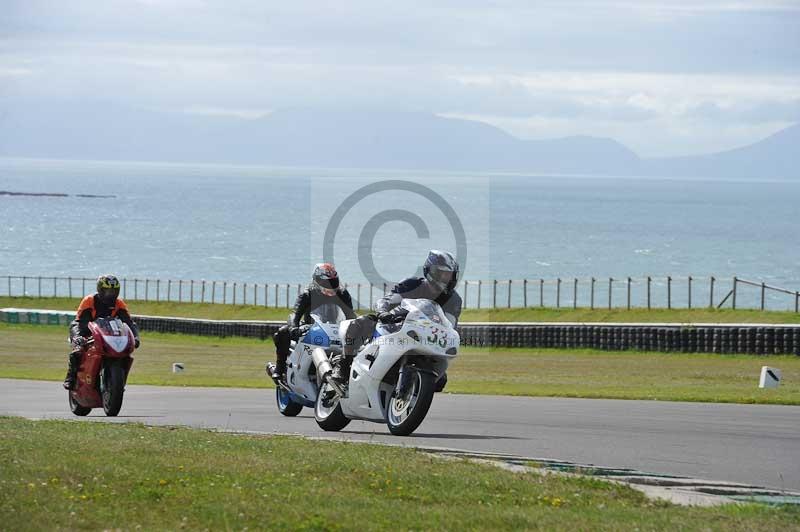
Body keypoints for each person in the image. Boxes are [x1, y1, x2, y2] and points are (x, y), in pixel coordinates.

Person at [332, 250, 462, 390]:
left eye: (448, 275)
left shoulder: (454, 300)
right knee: (359, 323)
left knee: (440, 381)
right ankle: (343, 366)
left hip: (424, 338)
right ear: (431, 271)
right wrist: (383, 312)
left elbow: (450, 325)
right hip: (394, 324)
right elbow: (387, 300)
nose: (445, 278)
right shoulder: (412, 284)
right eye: (442, 273)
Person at [270, 263, 357, 380]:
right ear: (317, 280)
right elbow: (294, 314)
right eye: (327, 282)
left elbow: (351, 316)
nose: (330, 285)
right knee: (282, 332)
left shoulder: (342, 294)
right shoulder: (307, 294)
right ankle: (279, 367)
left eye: (333, 281)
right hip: (310, 328)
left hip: (336, 329)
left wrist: (358, 328)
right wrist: (294, 328)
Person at [63, 274, 141, 389]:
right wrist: (79, 336)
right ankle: (71, 377)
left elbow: (128, 322)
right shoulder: (89, 301)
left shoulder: (119, 304)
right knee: (77, 351)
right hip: (86, 331)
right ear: (100, 289)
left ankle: (117, 383)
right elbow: (81, 322)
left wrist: (135, 337)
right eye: (107, 291)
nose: (111, 294)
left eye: (114, 291)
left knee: (125, 353)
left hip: (108, 335)